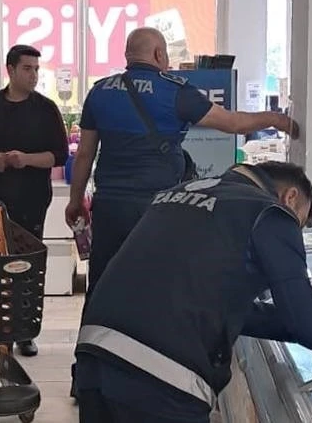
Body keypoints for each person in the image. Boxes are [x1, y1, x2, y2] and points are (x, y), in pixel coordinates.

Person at [66, 26, 298, 396]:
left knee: (101, 288)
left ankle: (85, 377)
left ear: (128, 55)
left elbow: (84, 155)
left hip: (110, 206)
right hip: (158, 211)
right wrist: (274, 119)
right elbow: (233, 123)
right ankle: (148, 377)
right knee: (160, 288)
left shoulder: (101, 91)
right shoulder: (174, 91)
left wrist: (76, 200)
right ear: (159, 55)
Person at [75, 161, 312, 423]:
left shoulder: (178, 193)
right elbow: (310, 328)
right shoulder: (271, 213)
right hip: (162, 376)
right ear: (290, 197)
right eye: (300, 222)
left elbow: (229, 307)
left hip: (95, 355)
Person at [0, 44, 69, 357]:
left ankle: (24, 330)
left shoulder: (46, 109)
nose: (33, 75)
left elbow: (58, 155)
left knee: (26, 266)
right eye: (27, 69)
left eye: (36, 69)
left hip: (30, 199)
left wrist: (26, 159)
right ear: (10, 70)